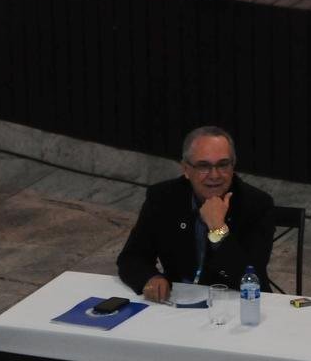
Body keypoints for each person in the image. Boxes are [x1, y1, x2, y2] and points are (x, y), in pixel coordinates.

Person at [117, 126, 275, 302]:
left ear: (233, 166)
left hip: (237, 305)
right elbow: (132, 257)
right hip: (178, 302)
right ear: (186, 169)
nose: (214, 175)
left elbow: (250, 278)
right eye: (203, 166)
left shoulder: (256, 204)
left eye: (223, 165)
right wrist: (150, 278)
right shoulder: (162, 198)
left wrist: (218, 229)